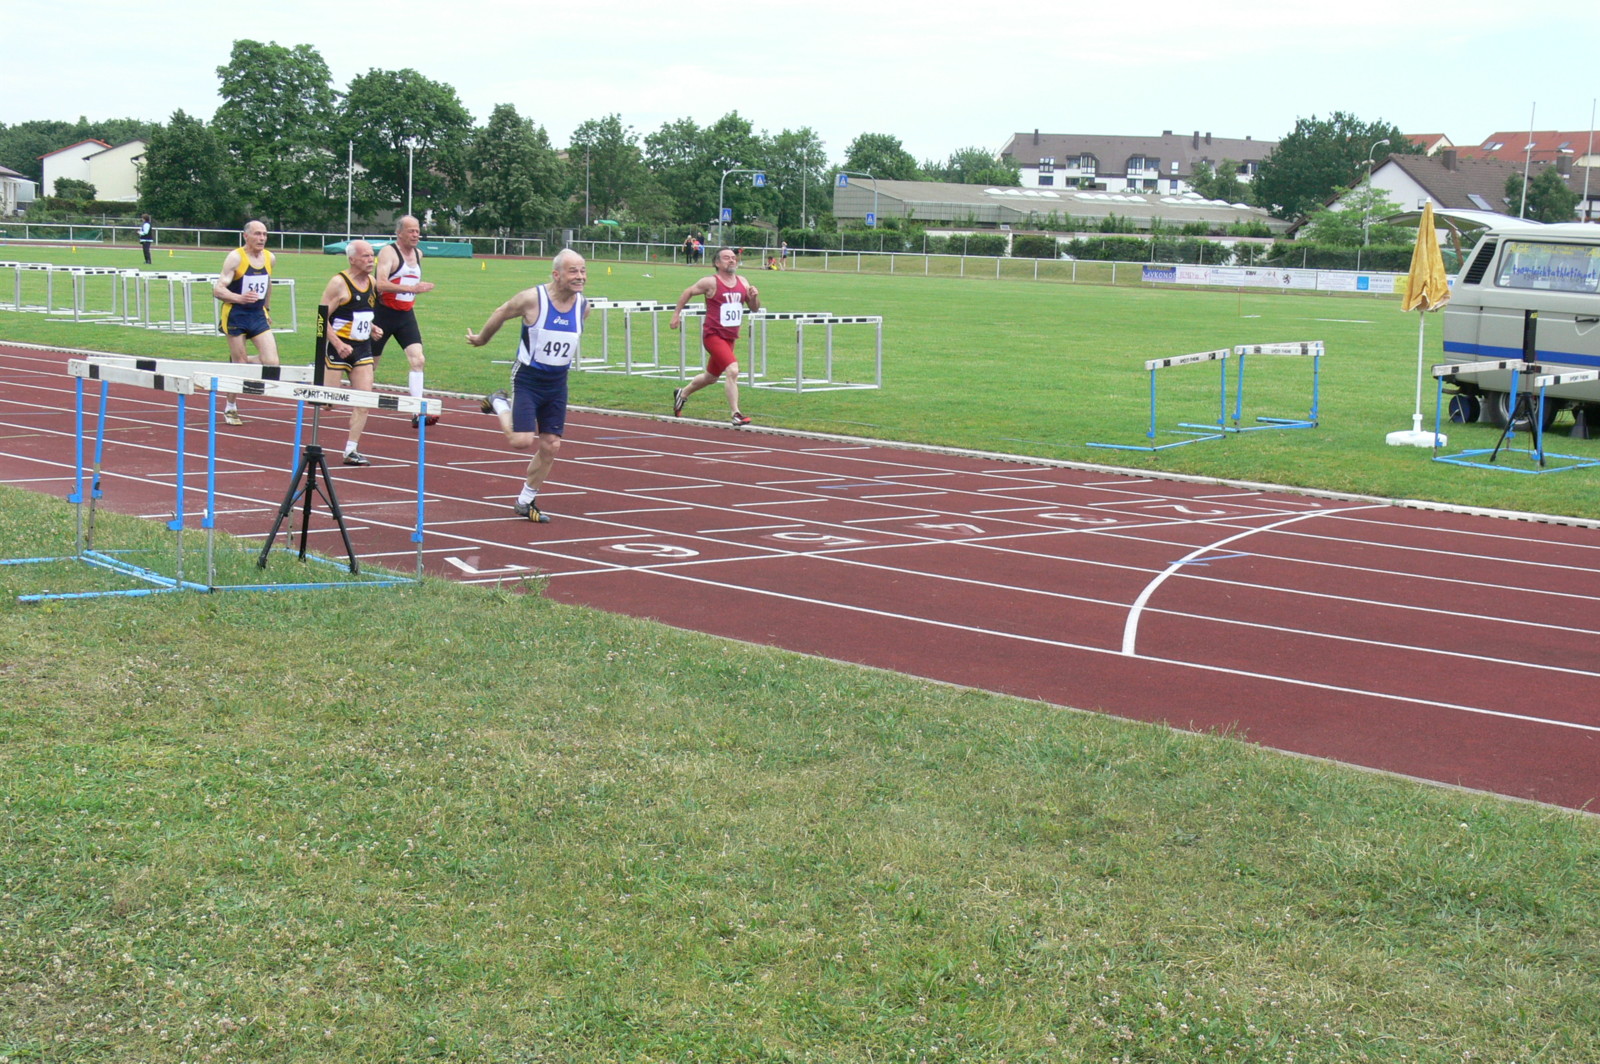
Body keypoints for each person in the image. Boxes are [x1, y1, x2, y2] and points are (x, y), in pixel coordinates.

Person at [465, 249, 590, 523]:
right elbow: (502, 312)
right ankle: (499, 401)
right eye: (573, 271)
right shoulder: (533, 299)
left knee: (551, 445)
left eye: (583, 271)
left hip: (557, 383)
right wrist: (482, 339)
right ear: (556, 274)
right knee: (521, 441)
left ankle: (525, 500)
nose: (580, 276)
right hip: (528, 379)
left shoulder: (583, 305)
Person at [669, 247, 760, 426]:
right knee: (732, 370)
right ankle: (736, 413)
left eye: (733, 257)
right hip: (713, 335)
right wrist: (676, 314)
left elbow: (754, 308)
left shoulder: (743, 281)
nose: (732, 260)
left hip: (730, 337)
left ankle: (682, 394)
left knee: (711, 377)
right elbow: (688, 292)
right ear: (717, 263)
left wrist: (754, 297)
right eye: (727, 258)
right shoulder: (710, 282)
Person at [317, 240, 385, 466]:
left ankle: (351, 449)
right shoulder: (339, 283)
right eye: (365, 256)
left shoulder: (372, 282)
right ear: (352, 259)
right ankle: (315, 378)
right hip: (338, 348)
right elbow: (321, 319)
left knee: (364, 399)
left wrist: (372, 328)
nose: (371, 260)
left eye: (372, 255)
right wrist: (337, 344)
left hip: (362, 348)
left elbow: (361, 313)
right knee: (328, 403)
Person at [211, 220, 280, 426]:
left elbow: (267, 284)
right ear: (246, 236)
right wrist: (240, 298)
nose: (262, 238)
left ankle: (237, 362)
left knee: (272, 364)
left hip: (257, 314)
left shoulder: (269, 258)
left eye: (264, 234)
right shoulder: (235, 258)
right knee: (240, 368)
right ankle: (230, 407)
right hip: (236, 314)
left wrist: (266, 309)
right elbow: (218, 289)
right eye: (257, 234)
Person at [373, 214, 439, 428]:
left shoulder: (419, 254)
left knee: (418, 359)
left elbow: (411, 282)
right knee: (369, 366)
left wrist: (414, 290)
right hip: (383, 314)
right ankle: (355, 401)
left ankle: (417, 412)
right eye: (411, 231)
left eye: (418, 230)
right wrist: (412, 288)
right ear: (399, 233)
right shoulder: (388, 252)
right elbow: (380, 284)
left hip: (405, 315)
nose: (416, 235)